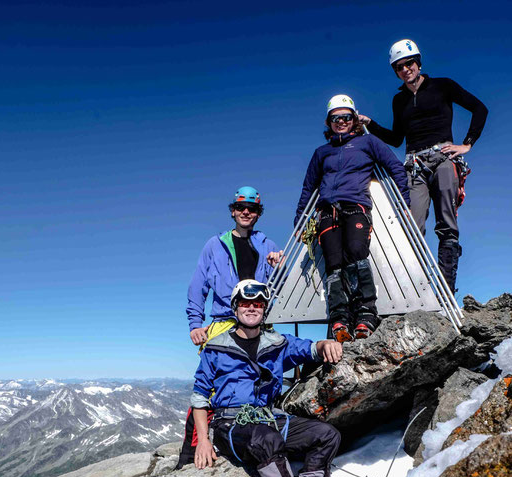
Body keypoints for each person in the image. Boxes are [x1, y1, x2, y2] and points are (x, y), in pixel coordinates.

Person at [191, 279, 344, 477]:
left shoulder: (278, 344)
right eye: (245, 302)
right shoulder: (216, 348)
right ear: (235, 307)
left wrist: (325, 344)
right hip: (230, 424)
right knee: (266, 438)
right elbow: (200, 397)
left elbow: (310, 349)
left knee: (326, 435)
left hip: (268, 418)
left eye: (258, 303)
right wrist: (203, 441)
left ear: (265, 309)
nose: (251, 307)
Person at [359, 39, 488, 293]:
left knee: (446, 224)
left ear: (418, 62)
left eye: (409, 63)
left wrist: (467, 144)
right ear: (395, 71)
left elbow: (479, 109)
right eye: (399, 67)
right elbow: (397, 138)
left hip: (443, 158)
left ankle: (446, 288)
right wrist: (370, 123)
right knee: (412, 226)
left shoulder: (443, 86)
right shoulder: (399, 101)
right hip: (415, 165)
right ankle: (415, 288)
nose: (405, 69)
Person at [294, 94, 410, 342]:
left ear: (354, 119)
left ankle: (366, 314)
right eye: (335, 118)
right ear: (329, 122)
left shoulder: (368, 143)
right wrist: (300, 221)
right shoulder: (321, 152)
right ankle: (339, 319)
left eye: (346, 117)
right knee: (334, 264)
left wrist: (404, 204)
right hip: (327, 213)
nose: (341, 122)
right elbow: (308, 188)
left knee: (357, 253)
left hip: (356, 207)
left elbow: (396, 168)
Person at [186, 186, 283, 346]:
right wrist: (195, 325)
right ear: (233, 211)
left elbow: (282, 292)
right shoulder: (215, 245)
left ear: (258, 214)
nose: (245, 212)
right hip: (224, 324)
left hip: (261, 327)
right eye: (240, 207)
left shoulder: (269, 246)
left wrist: (280, 269)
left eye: (251, 208)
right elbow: (198, 286)